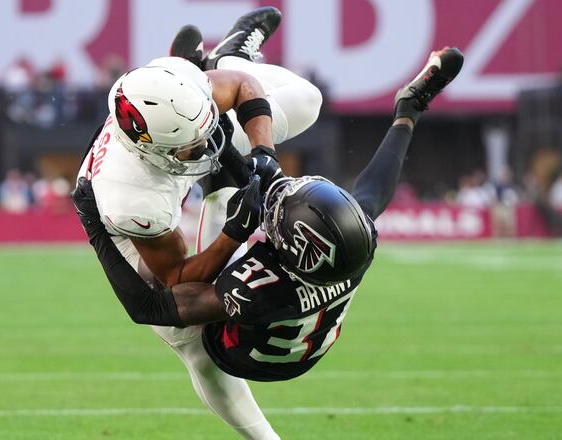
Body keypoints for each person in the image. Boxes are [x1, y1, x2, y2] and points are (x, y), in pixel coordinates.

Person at [73, 46, 463, 434]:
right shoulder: (354, 242)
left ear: (276, 247)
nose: (283, 192)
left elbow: (150, 306)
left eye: (275, 215)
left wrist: (230, 234)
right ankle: (227, 57)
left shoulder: (251, 283)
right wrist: (408, 111)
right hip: (304, 312)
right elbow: (371, 194)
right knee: (300, 112)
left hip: (248, 350)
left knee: (189, 340)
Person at [75, 8, 322, 439]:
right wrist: (233, 233)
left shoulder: (179, 92)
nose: (206, 146)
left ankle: (229, 54)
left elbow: (244, 88)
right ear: (155, 150)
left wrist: (264, 151)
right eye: (194, 147)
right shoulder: (133, 197)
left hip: (173, 141)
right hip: (135, 223)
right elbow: (177, 278)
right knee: (194, 343)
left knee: (308, 101)